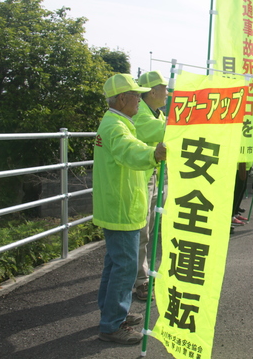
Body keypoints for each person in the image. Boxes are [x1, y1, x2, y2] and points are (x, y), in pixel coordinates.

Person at [93, 73, 166, 345]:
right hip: (122, 207)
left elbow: (129, 147)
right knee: (124, 267)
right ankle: (112, 324)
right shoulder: (116, 127)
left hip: (119, 205)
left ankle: (110, 314)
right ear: (122, 98)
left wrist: (148, 153)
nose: (140, 99)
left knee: (115, 265)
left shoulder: (116, 122)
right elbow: (128, 150)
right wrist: (152, 154)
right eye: (136, 94)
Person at [132, 70, 168, 301]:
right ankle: (140, 281)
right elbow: (164, 134)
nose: (168, 92)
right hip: (140, 179)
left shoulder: (157, 113)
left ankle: (140, 276)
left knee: (150, 230)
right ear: (152, 91)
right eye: (164, 88)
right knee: (142, 232)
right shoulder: (141, 114)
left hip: (153, 177)